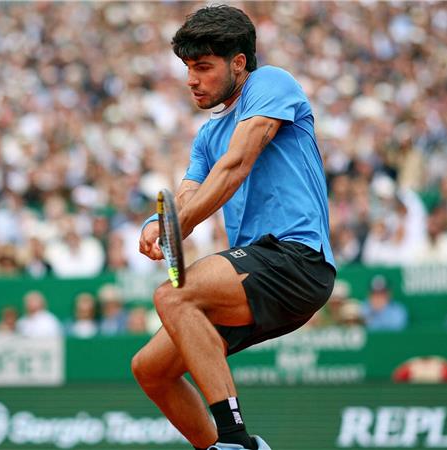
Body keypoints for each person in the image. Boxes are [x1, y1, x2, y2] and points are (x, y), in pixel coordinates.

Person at [133, 6, 335, 450]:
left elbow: (236, 166)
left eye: (203, 67)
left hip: (296, 261)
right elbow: (188, 193)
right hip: (255, 279)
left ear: (238, 63)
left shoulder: (271, 84)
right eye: (188, 68)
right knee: (150, 369)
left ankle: (235, 439)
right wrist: (158, 223)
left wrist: (178, 227)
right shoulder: (206, 136)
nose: (191, 79)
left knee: (173, 293)